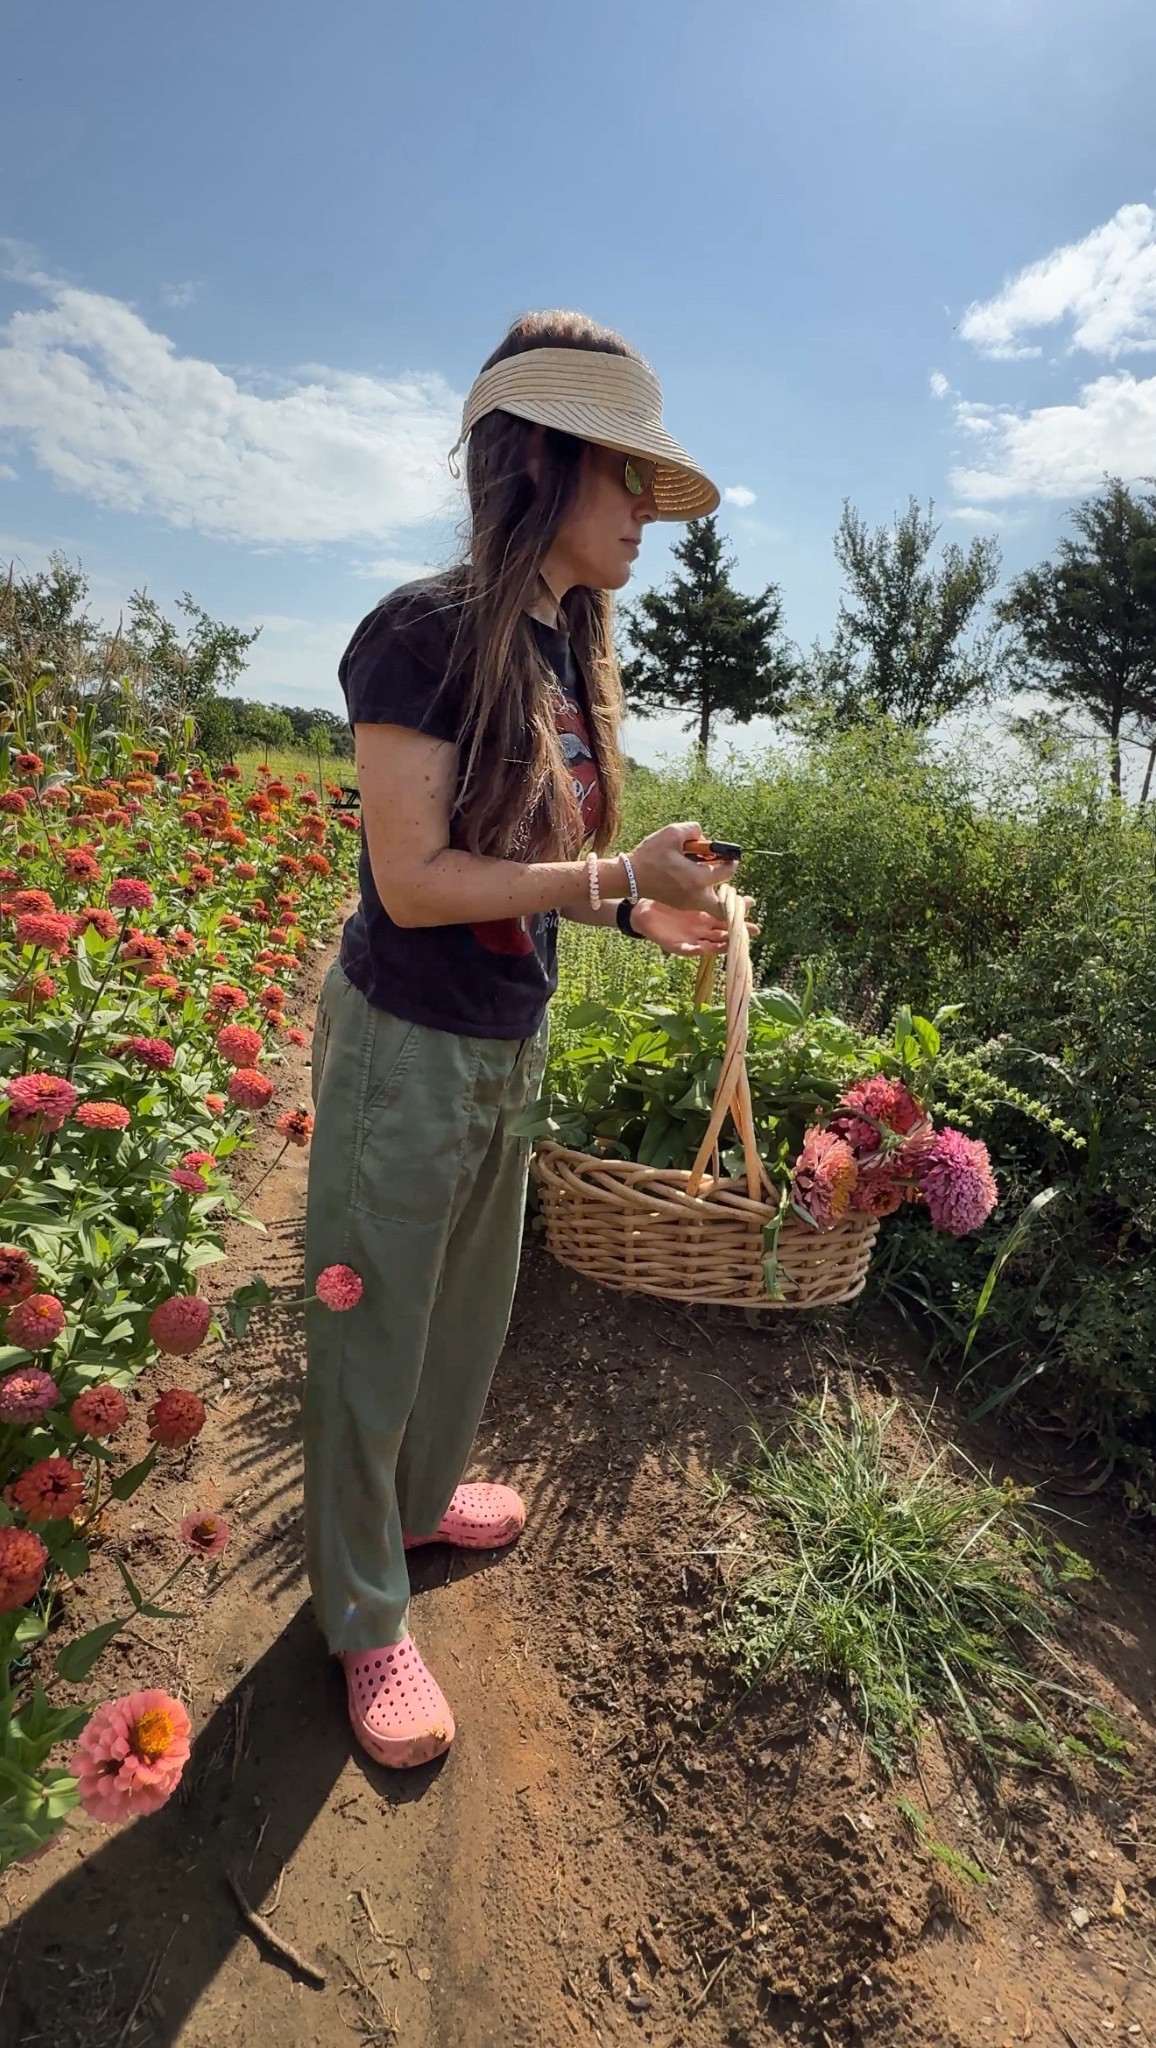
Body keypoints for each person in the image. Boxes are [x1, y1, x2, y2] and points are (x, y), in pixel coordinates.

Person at [305, 309, 742, 1769]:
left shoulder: (561, 646)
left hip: (504, 1038)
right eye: (627, 480)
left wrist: (627, 914)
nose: (644, 518)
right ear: (546, 461)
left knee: (468, 1311)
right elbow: (417, 885)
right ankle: (366, 1621)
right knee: (374, 1329)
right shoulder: (419, 635)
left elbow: (518, 860)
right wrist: (621, 877)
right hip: (405, 1046)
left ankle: (421, 1507)